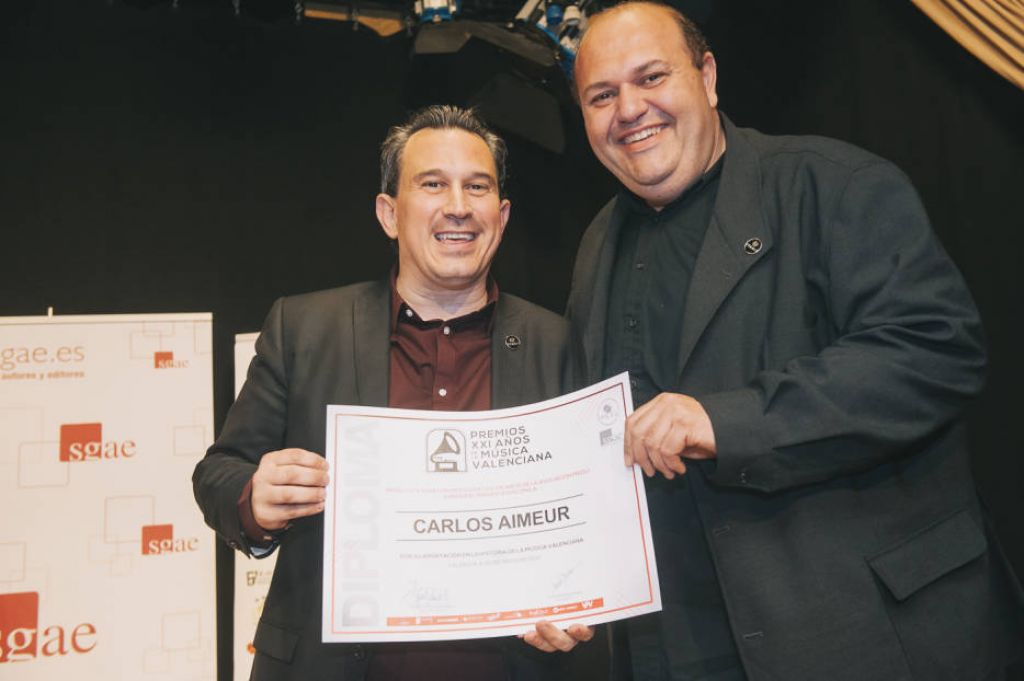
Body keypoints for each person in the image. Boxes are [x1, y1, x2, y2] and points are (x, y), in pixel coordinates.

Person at [560, 2, 1024, 679]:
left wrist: (724, 420)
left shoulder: (834, 184)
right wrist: (563, 584)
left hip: (865, 637)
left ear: (707, 77)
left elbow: (935, 350)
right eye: (601, 96)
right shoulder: (596, 245)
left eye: (651, 77)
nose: (629, 109)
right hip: (682, 647)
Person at [192, 105, 585, 681]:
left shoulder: (560, 343)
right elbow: (218, 472)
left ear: (501, 217)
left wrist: (579, 597)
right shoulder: (305, 328)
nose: (458, 205)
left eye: (477, 186)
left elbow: (586, 517)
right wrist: (254, 497)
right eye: (433, 184)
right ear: (388, 213)